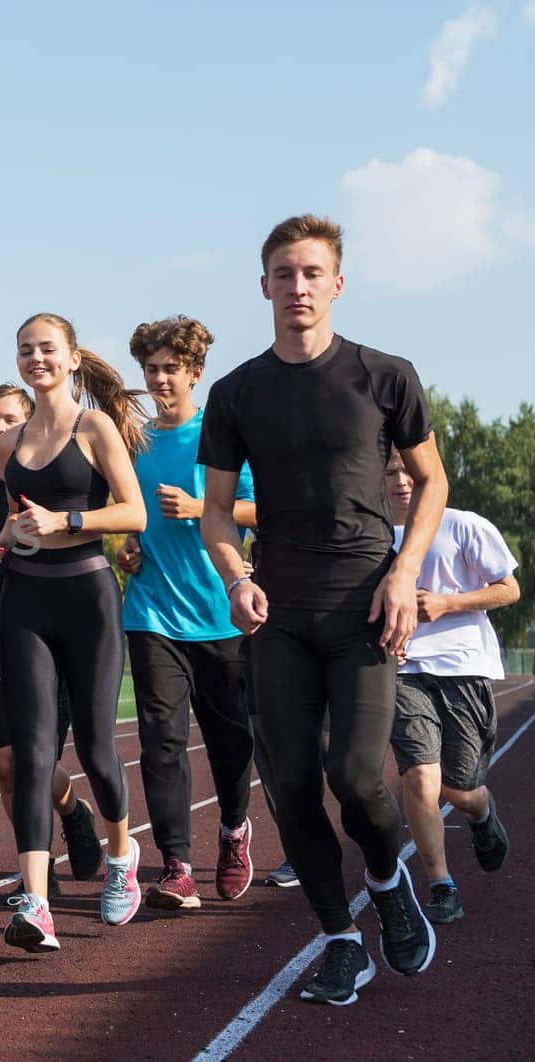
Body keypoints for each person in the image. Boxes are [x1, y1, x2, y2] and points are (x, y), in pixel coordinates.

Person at [199, 214, 449, 1006]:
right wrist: (237, 576)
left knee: (356, 774)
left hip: (365, 604)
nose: (298, 287)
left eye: (313, 273)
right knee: (293, 787)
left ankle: (386, 877)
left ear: (337, 283)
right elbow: (213, 510)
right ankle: (342, 938)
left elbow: (433, 481)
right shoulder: (235, 391)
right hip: (277, 609)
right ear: (264, 285)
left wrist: (406, 571)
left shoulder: (385, 374)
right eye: (284, 273)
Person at [0, 315, 148, 953]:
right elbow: (14, 522)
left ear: (72, 357)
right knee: (32, 753)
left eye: (47, 349)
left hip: (88, 594)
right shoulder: (9, 442)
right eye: (26, 350)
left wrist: (68, 519)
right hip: (25, 597)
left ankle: (120, 855)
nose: (36, 359)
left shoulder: (95, 426)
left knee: (95, 749)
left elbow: (133, 512)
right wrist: (6, 537)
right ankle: (34, 901)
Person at [115, 316, 258, 912]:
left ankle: (232, 830)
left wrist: (203, 507)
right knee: (161, 740)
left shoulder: (219, 435)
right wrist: (125, 545)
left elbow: (260, 510)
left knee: (230, 740)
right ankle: (176, 864)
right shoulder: (135, 442)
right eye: (151, 370)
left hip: (221, 611)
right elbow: (124, 511)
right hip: (150, 610)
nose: (159, 379)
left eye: (171, 368)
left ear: (195, 372)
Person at [0, 384, 103, 898]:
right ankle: (45, 857)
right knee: (8, 766)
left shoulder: (48, 478)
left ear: (27, 425)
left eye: (9, 418)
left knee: (37, 762)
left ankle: (69, 818)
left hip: (47, 633)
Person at [384, 449, 518, 924]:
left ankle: (481, 814)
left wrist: (446, 603)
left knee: (460, 789)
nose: (400, 481)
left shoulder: (463, 524)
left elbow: (509, 589)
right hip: (401, 670)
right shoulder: (371, 536)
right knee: (420, 775)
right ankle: (441, 883)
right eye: (389, 472)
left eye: (407, 470)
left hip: (462, 665)